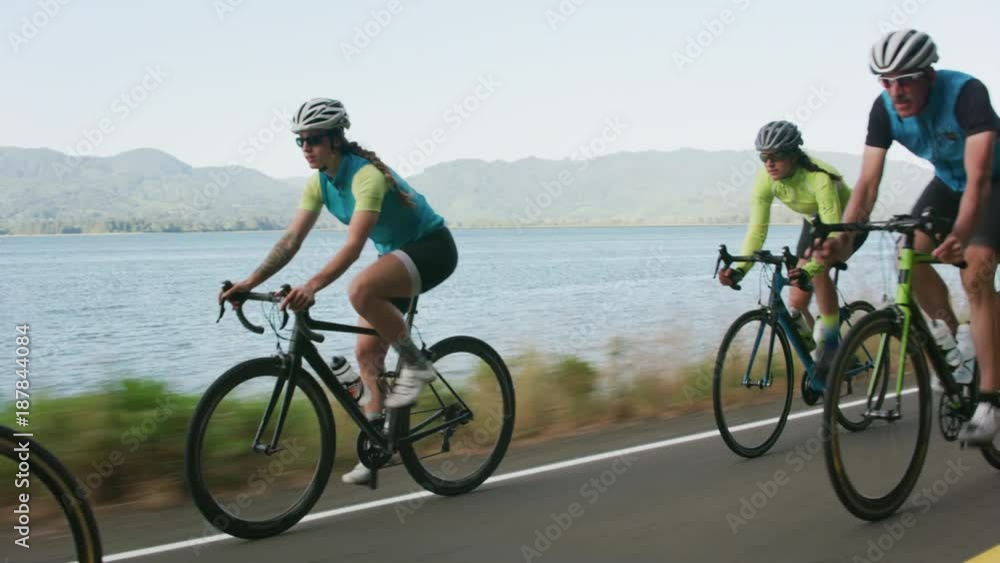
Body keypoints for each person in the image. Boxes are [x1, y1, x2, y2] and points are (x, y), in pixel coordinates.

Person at [219, 97, 458, 482]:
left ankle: (416, 363)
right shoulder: (318, 184)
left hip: (432, 249)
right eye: (299, 142)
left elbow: (353, 246)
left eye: (312, 140)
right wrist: (249, 283)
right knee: (366, 353)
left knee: (360, 288)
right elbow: (291, 240)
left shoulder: (365, 176)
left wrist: (312, 285)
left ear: (335, 139)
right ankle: (379, 447)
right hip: (396, 258)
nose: (306, 149)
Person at [815, 29, 1000, 445]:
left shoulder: (966, 94)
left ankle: (991, 401)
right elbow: (865, 185)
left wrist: (962, 232)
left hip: (991, 183)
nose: (896, 91)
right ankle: (955, 348)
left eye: (905, 80)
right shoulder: (884, 110)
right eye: (886, 81)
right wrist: (843, 241)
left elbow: (979, 178)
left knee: (976, 273)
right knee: (908, 251)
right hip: (949, 184)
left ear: (929, 75)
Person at [719, 121, 867, 393]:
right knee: (797, 302)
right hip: (815, 222)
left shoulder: (820, 178)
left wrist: (811, 268)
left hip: (846, 223)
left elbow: (832, 236)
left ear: (794, 155)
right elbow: (756, 232)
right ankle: (820, 365)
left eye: (776, 155)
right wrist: (739, 269)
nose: (769, 162)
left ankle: (832, 345)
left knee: (818, 267)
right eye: (764, 156)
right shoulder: (766, 180)